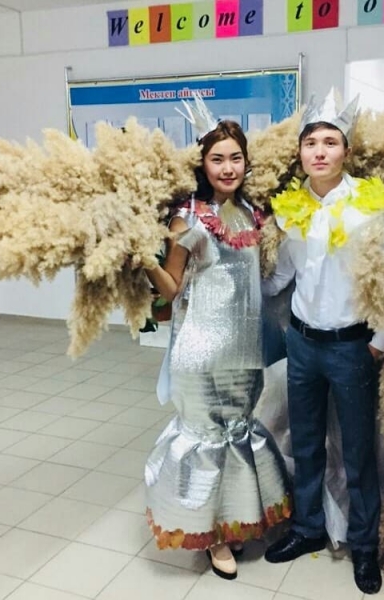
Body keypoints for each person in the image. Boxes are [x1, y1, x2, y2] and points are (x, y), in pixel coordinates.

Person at [261, 91, 384, 595]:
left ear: (346, 150)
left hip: (353, 348)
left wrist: (378, 342)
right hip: (303, 344)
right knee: (305, 443)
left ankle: (364, 546)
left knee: (357, 450)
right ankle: (307, 527)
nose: (320, 151)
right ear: (300, 152)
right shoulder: (291, 210)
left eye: (330, 142)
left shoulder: (369, 206)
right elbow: (282, 277)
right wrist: (229, 269)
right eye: (311, 143)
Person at [143, 99, 290, 581]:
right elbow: (171, 288)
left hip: (244, 355)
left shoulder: (253, 213)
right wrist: (142, 257)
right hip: (199, 356)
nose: (228, 168)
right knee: (207, 442)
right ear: (202, 164)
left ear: (246, 162)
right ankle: (212, 537)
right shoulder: (187, 218)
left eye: (235, 158)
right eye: (217, 158)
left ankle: (232, 518)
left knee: (238, 436)